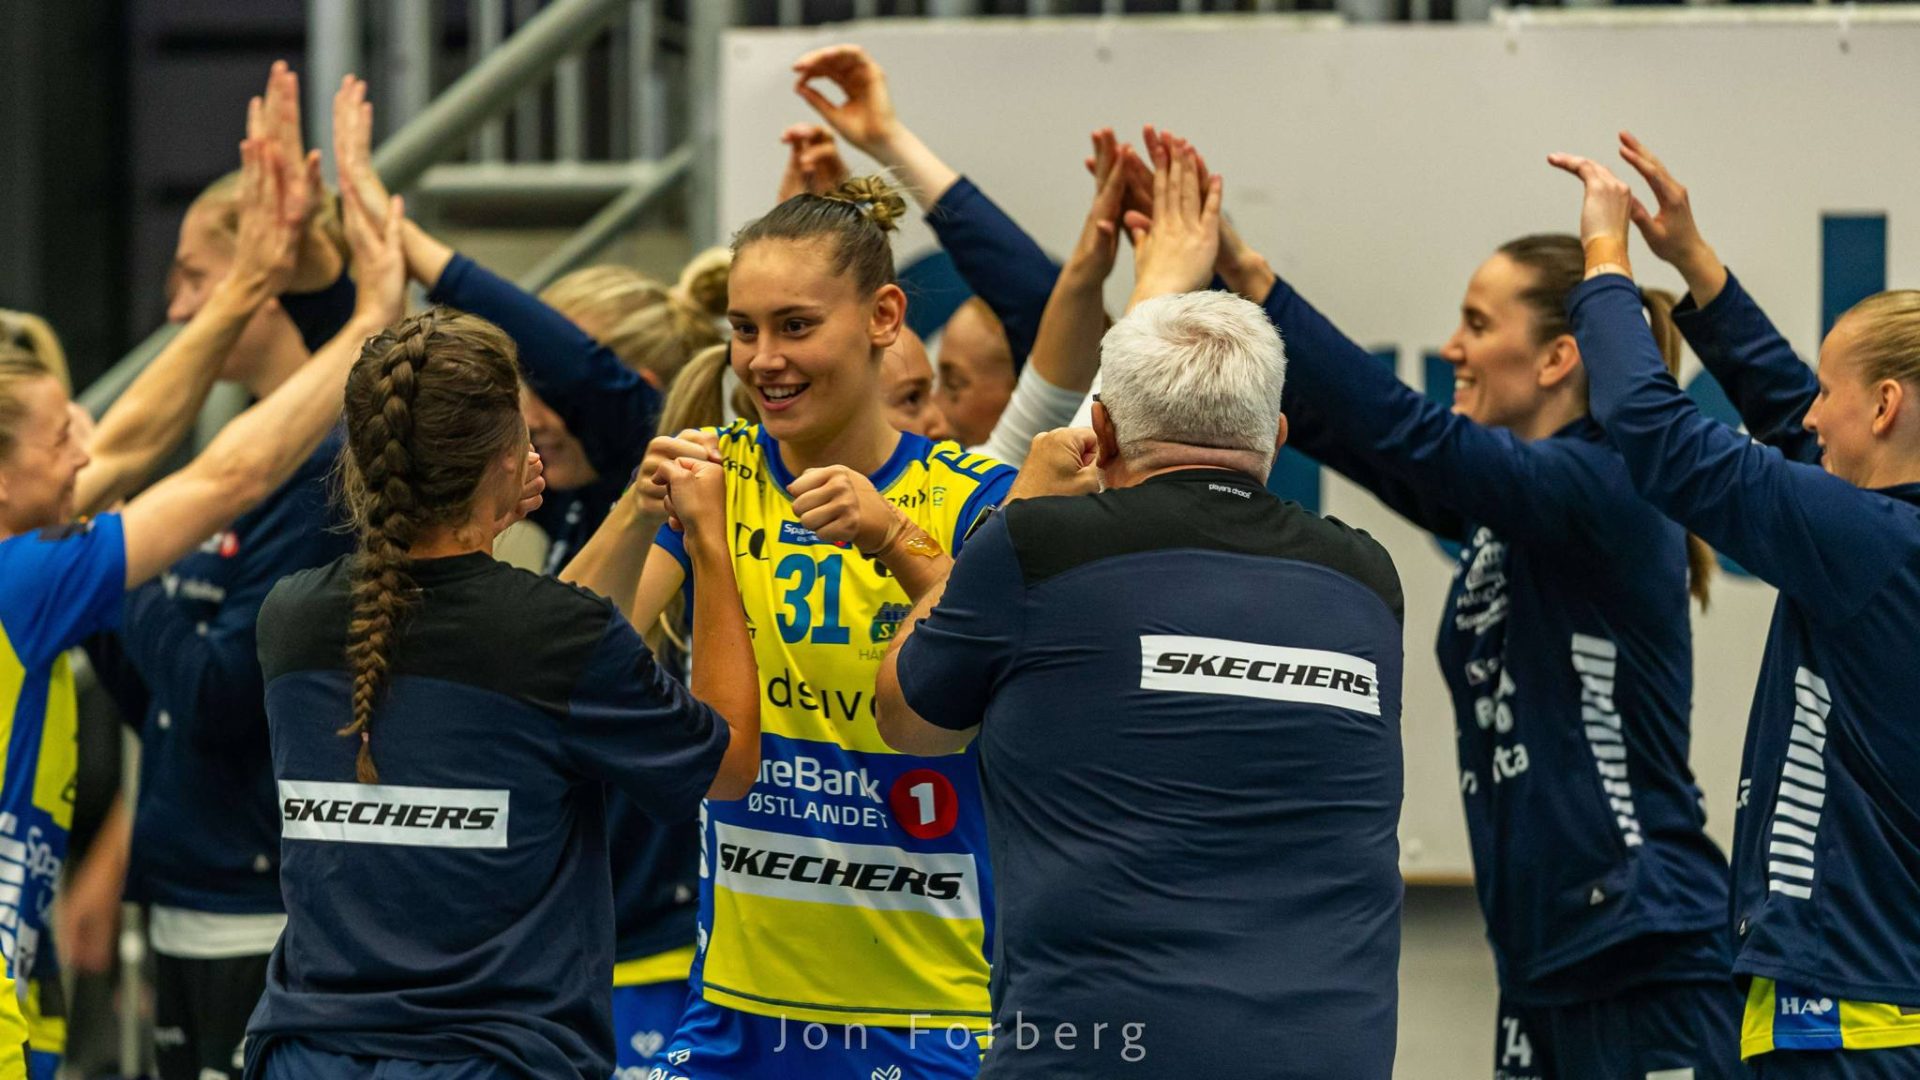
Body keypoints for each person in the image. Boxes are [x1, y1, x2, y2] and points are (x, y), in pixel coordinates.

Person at [1154, 123, 1738, 1077]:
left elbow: (1404, 431)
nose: (1451, 347)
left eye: (1477, 324)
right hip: (1543, 963)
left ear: (1557, 358)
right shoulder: (1516, 510)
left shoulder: (1609, 485)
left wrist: (1258, 281)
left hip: (1647, 954)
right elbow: (1353, 433)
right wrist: (1200, 285)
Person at [875, 157, 1405, 1077]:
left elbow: (909, 718)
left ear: (1105, 436)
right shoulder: (1366, 577)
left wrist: (1004, 512)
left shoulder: (1039, 547)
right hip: (1333, 1053)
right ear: (1275, 439)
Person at [566, 175, 1016, 1078]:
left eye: (796, 326)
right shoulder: (716, 480)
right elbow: (565, 656)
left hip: (930, 1013)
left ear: (883, 317)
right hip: (735, 1008)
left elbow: (994, 675)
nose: (763, 359)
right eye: (744, 329)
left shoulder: (975, 497)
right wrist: (634, 513)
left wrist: (892, 537)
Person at [239, 310, 760, 1080]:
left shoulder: (288, 616)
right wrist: (710, 543)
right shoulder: (549, 637)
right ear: (506, 458)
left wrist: (629, 510)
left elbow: (530, 651)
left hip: (307, 1053)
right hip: (492, 1058)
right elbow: (729, 765)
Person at [0, 112, 406, 1076]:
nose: (89, 444)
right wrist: (367, 322)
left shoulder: (26, 546)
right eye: (61, 436)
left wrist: (253, 281)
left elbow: (134, 438)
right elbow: (229, 476)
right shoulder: (24, 577)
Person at [327, 78, 719, 1074]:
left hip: (652, 932)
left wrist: (421, 253)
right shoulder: (580, 505)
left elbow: (580, 373)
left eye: (538, 392)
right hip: (575, 931)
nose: (530, 420)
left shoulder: (650, 448)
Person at [1555, 138, 1920, 1080]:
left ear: (1885, 406)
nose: (1810, 417)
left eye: (1829, 394)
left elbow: (1655, 434)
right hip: (1873, 1011)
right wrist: (1695, 263)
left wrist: (1606, 263)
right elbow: (1792, 419)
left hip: (1845, 1028)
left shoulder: (1870, 542)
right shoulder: (1883, 540)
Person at [791, 45, 1094, 460]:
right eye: (914, 397)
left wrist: (888, 141)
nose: (937, 420)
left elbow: (1041, 305)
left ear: (1025, 385)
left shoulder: (976, 484)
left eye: (947, 385)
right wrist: (807, 247)